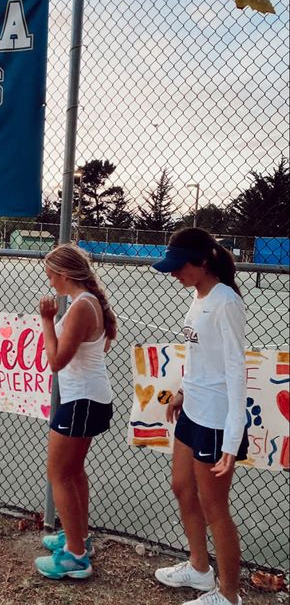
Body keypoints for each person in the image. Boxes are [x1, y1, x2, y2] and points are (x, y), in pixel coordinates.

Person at [152, 227, 249, 605]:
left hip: (216, 421)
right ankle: (198, 568)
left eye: (180, 266)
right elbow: (198, 357)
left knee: (215, 509)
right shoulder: (198, 296)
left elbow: (236, 371)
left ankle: (228, 594)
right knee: (181, 486)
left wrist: (231, 438)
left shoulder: (226, 301)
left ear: (203, 261)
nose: (175, 273)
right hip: (192, 412)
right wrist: (180, 392)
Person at [34, 244, 117, 580]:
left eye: (51, 275)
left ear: (65, 274)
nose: (50, 282)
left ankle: (76, 557)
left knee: (59, 474)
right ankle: (78, 538)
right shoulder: (88, 303)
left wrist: (46, 320)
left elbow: (57, 361)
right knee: (74, 472)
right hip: (88, 398)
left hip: (81, 401)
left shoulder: (83, 306)